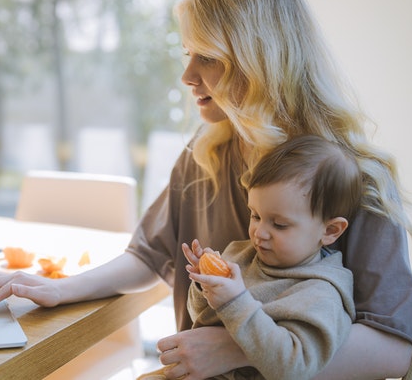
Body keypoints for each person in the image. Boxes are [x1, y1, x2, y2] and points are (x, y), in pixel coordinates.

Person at [0, 0, 412, 379]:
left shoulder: (359, 180)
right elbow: (149, 255)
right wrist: (62, 289)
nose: (187, 75)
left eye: (209, 57)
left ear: (261, 62)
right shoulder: (205, 155)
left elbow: (394, 348)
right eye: (187, 53)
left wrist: (237, 346)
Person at [139, 135, 361, 380]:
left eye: (279, 224)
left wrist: (236, 301)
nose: (260, 232)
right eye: (255, 216)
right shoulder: (241, 255)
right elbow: (201, 320)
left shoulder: (321, 294)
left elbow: (293, 367)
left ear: (330, 231)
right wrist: (206, 286)